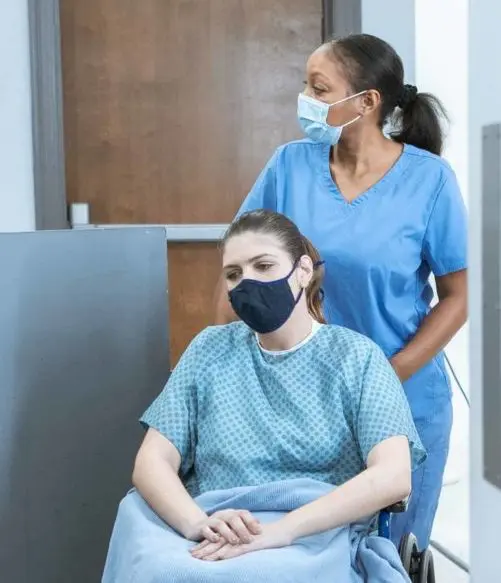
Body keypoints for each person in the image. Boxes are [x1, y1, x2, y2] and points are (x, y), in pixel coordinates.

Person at [214, 33, 468, 551]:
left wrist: (381, 377)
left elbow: (459, 298)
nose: (305, 99)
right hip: (297, 397)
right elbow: (236, 268)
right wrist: (220, 361)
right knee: (302, 549)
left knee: (390, 553)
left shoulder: (430, 181)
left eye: (319, 87)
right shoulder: (289, 166)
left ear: (367, 101)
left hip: (403, 394)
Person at [102, 210, 426, 583]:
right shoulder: (209, 349)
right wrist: (197, 523)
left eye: (264, 266)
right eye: (234, 274)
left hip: (312, 529)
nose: (247, 283)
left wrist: (282, 531)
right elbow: (151, 461)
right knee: (163, 567)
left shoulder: (357, 358)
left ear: (303, 271)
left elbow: (393, 476)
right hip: (212, 518)